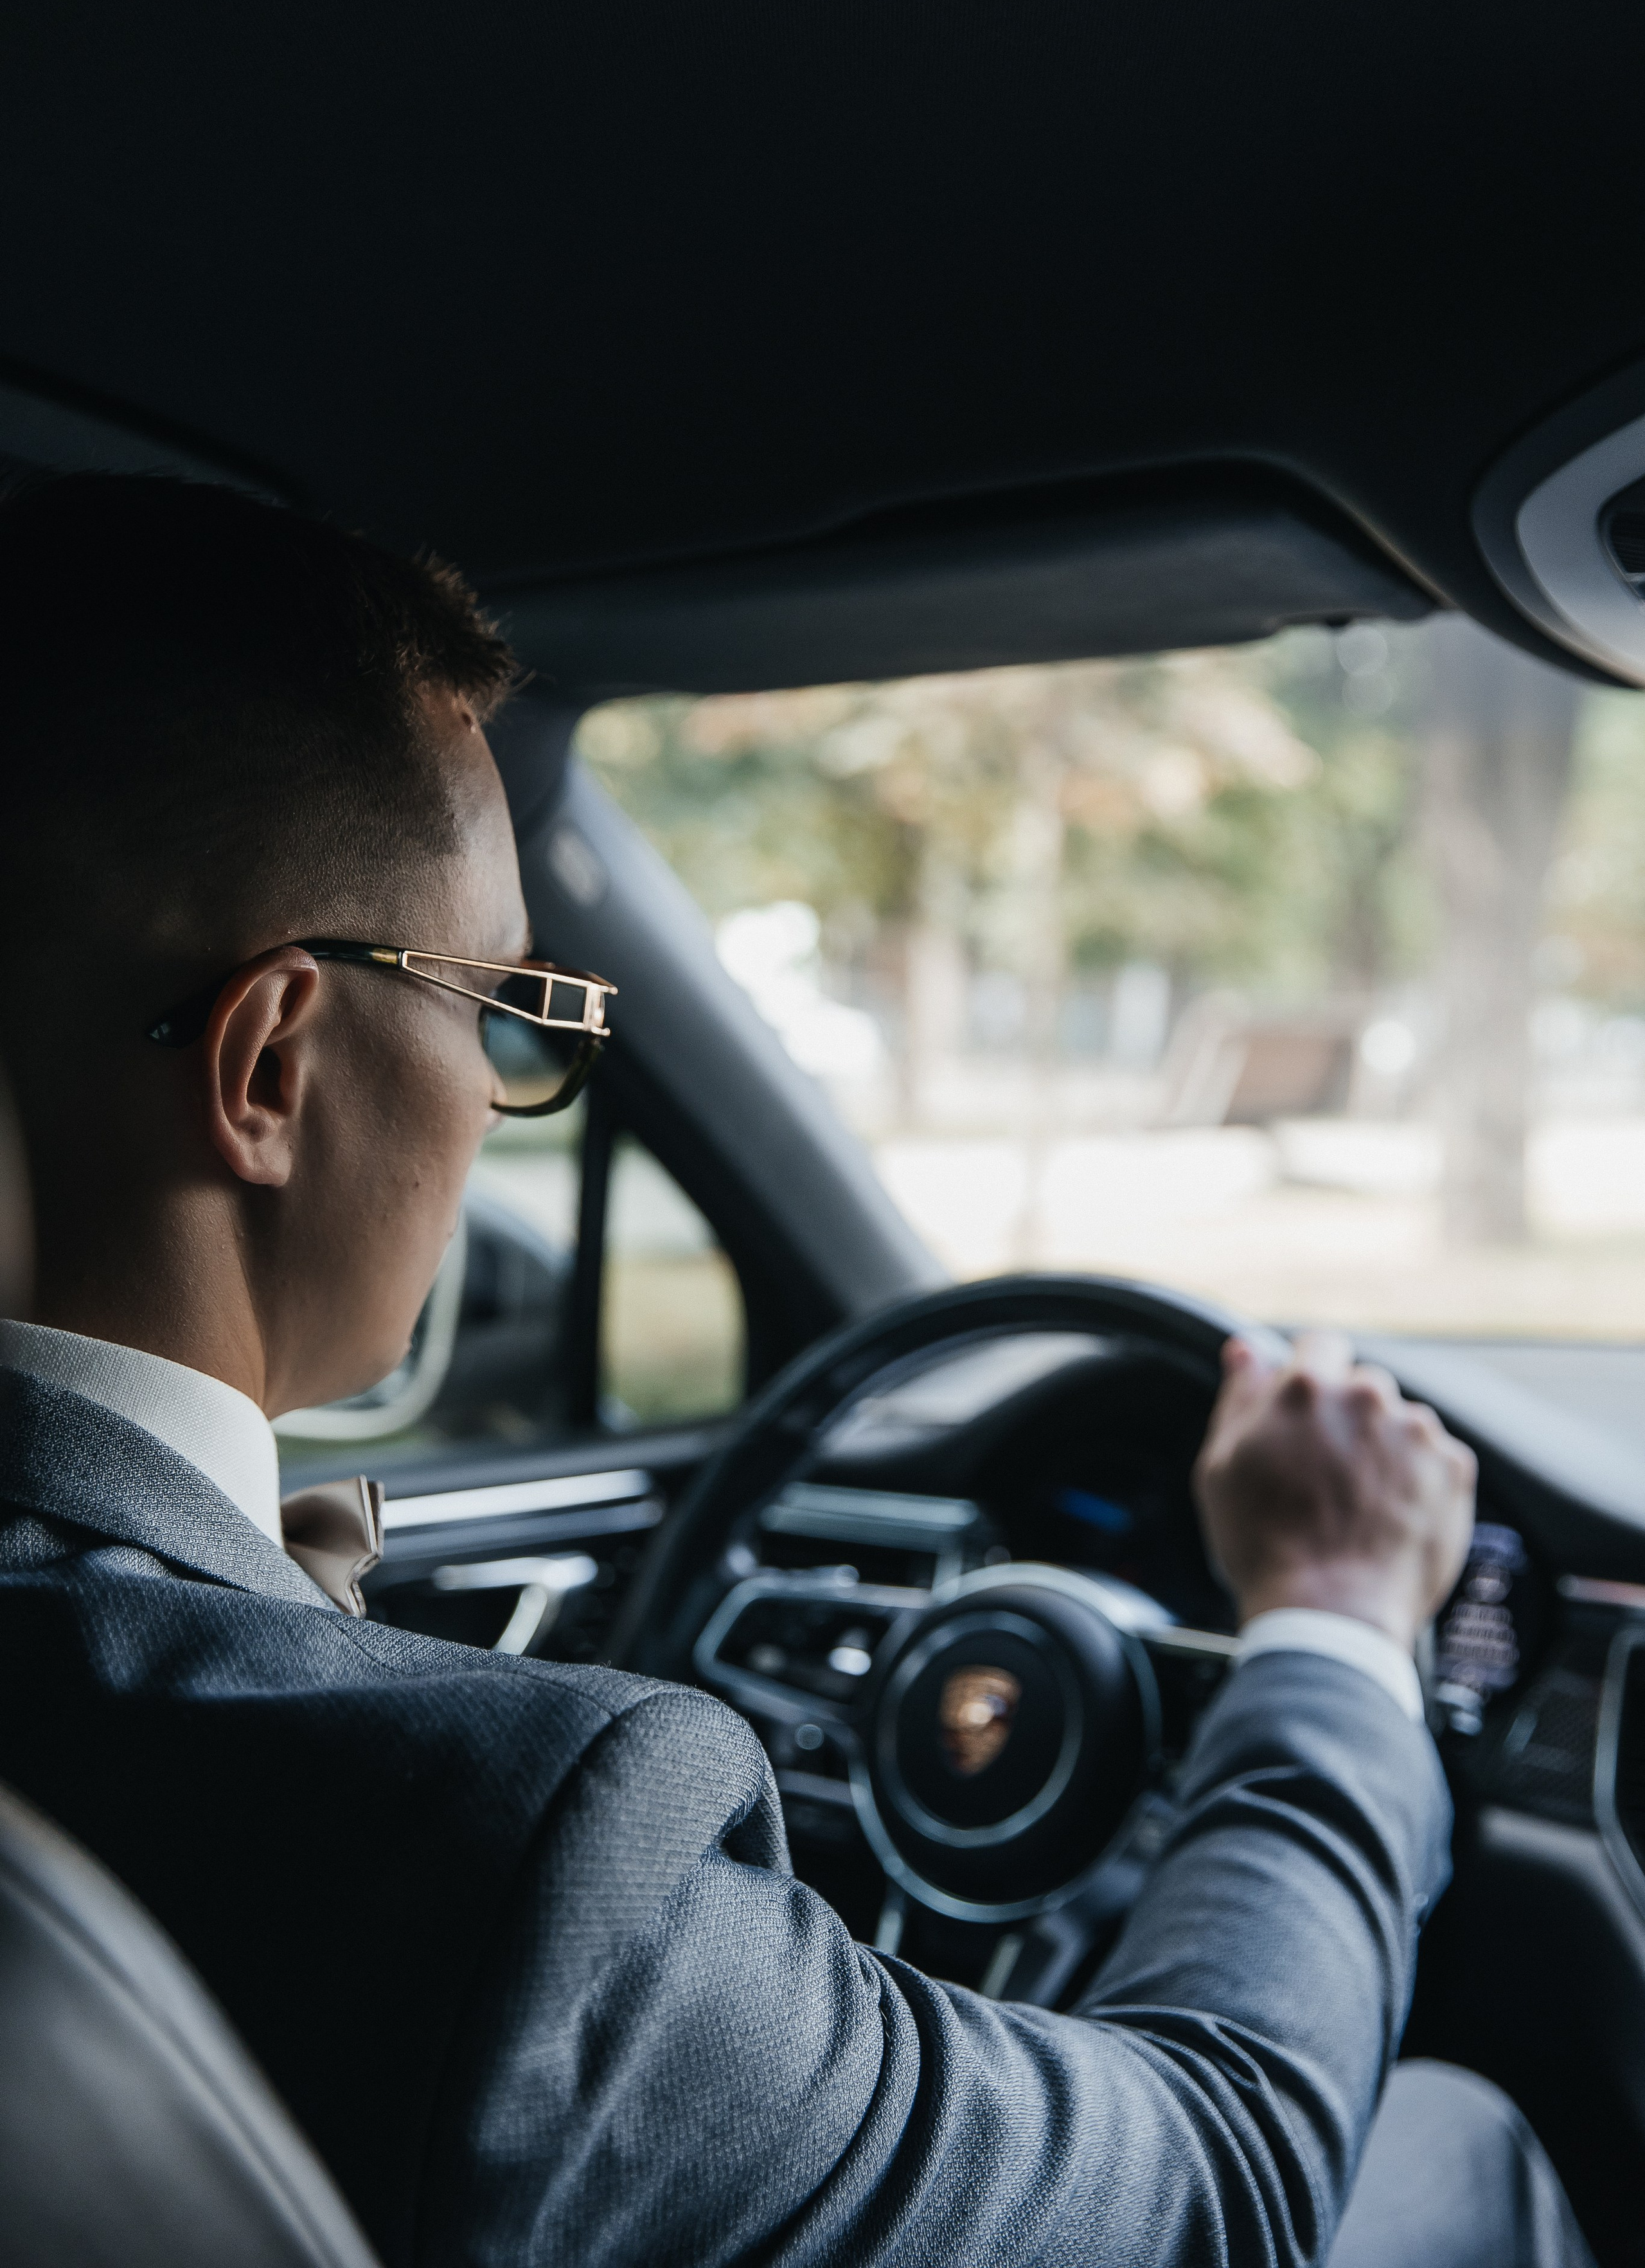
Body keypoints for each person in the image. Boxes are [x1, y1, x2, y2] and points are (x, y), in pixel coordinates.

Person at [0, 473, 1592, 2268]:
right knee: (1456, 2141)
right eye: (499, 1009)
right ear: (273, 1064)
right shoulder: (511, 1853)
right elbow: (1215, 2180)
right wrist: (1338, 1628)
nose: (502, 1089)